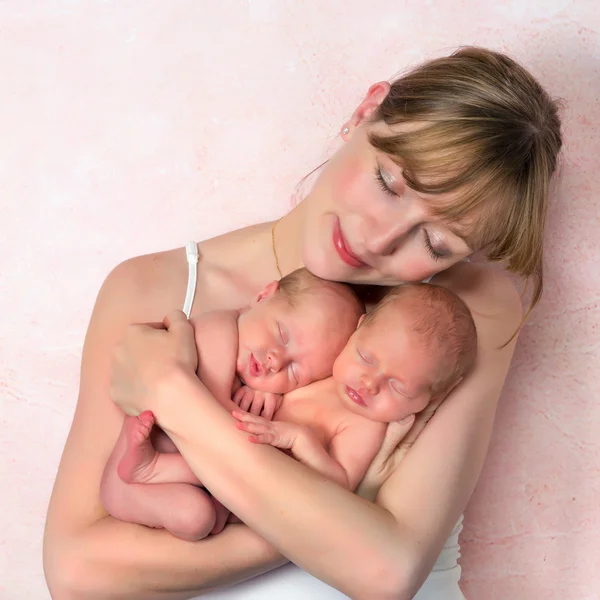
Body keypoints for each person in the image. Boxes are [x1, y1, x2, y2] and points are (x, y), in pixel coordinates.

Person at [43, 46, 562, 600]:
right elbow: (79, 574)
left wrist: (174, 396)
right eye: (389, 183)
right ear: (366, 110)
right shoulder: (156, 287)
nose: (377, 239)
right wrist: (350, 502)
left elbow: (385, 574)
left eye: (435, 243)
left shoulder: (460, 315)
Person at [102, 282, 476, 545]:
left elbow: (340, 484)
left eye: (398, 387)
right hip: (195, 437)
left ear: (424, 402)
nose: (368, 384)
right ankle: (145, 466)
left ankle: (147, 471)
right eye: (365, 357)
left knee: (199, 519)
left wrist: (300, 439)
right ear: (356, 334)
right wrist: (256, 389)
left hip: (226, 477)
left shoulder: (365, 426)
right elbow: (269, 368)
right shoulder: (326, 365)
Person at [100, 267, 364, 541]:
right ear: (263, 296)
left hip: (155, 486)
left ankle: (155, 470)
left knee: (197, 519)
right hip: (127, 476)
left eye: (295, 372)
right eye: (282, 335)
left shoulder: (261, 385)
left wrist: (261, 392)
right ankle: (147, 467)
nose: (276, 361)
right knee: (246, 466)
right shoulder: (220, 328)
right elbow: (209, 414)